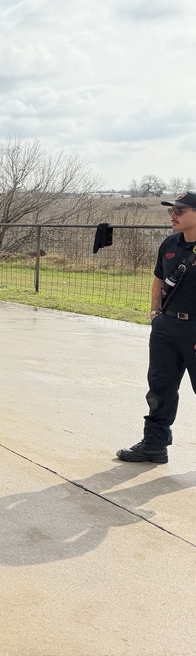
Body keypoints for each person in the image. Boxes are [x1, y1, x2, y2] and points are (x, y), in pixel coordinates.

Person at [117, 190, 196, 464]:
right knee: (160, 388)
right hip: (166, 326)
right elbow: (158, 281)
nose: (173, 215)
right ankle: (154, 445)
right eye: (171, 211)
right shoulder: (170, 243)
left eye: (180, 211)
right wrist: (155, 313)